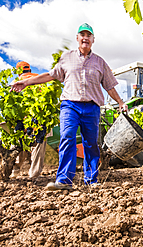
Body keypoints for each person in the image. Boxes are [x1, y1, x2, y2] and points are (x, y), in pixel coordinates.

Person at [11, 23, 128, 190]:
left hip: (92, 107)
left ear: (93, 40)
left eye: (89, 35)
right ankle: (64, 180)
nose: (85, 37)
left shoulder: (100, 63)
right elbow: (51, 75)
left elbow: (109, 86)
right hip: (70, 105)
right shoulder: (66, 57)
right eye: (82, 34)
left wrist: (121, 102)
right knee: (67, 137)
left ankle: (91, 180)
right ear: (77, 38)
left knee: (91, 143)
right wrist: (27, 82)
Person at [10, 61, 49, 180]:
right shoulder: (39, 79)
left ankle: (14, 170)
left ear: (18, 71)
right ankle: (34, 174)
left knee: (18, 144)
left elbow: (12, 105)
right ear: (29, 70)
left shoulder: (16, 82)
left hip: (23, 120)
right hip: (39, 118)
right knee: (39, 144)